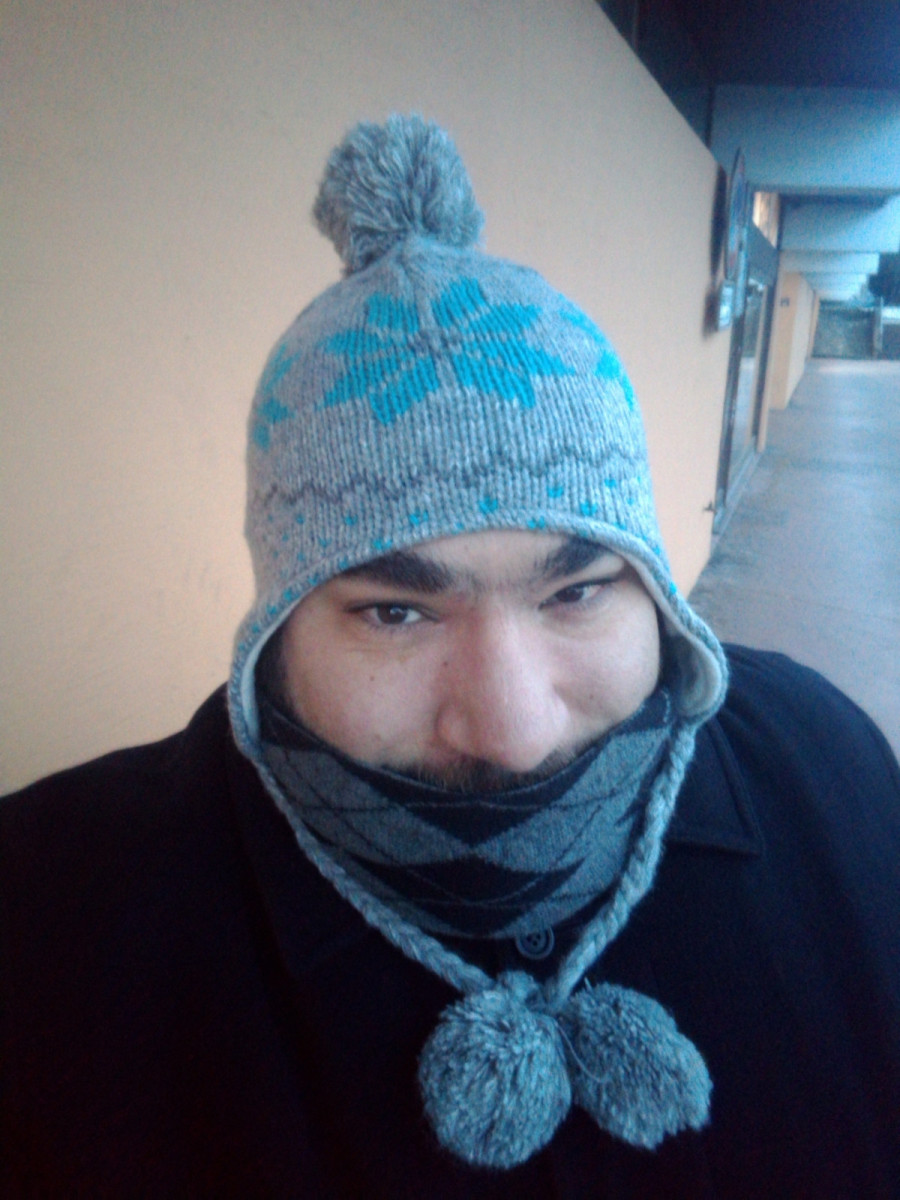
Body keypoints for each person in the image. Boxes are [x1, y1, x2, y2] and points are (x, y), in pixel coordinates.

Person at [2, 115, 899, 1199]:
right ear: (278, 627)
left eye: (577, 591)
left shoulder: (834, 771)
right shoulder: (47, 926)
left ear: (655, 594)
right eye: (396, 613)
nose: (512, 729)